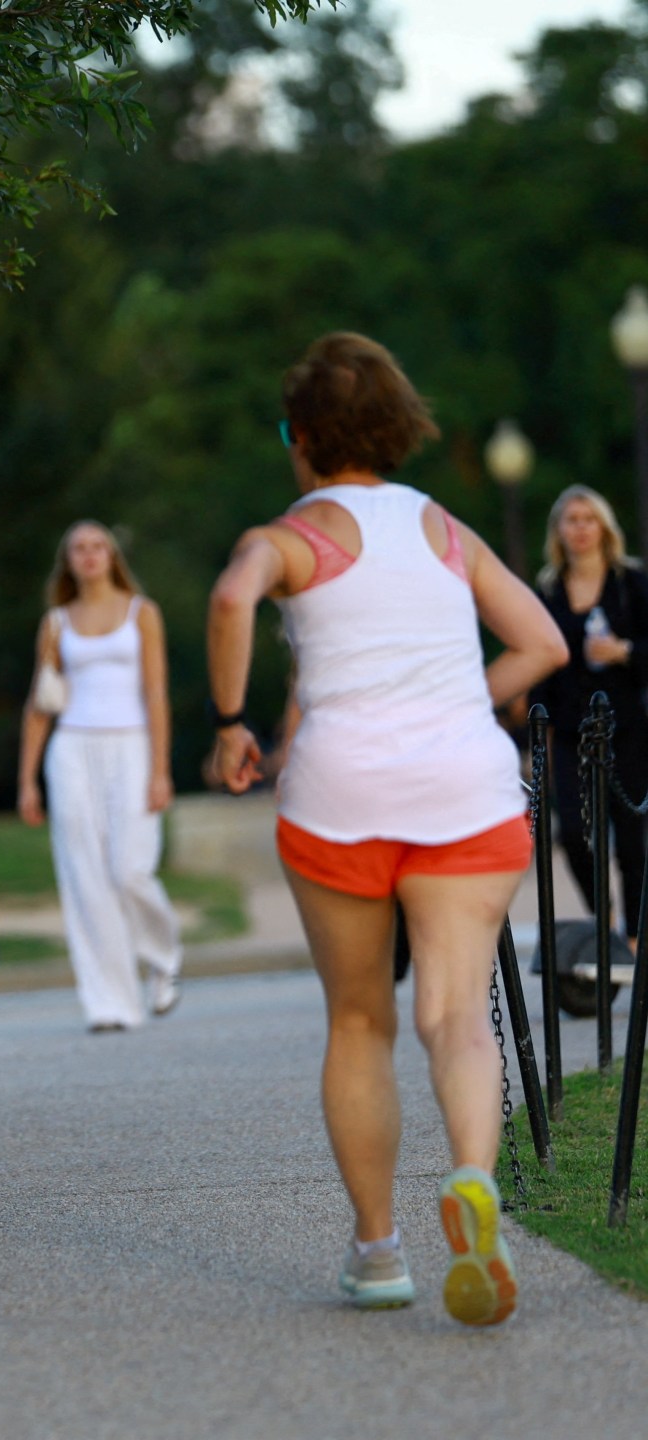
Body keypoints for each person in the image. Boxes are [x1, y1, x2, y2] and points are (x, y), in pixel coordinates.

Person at [207, 332, 566, 1326]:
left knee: (360, 1021)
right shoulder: (448, 531)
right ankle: (474, 1180)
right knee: (456, 1014)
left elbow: (233, 594)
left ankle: (379, 1253)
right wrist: (456, 698)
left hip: (342, 798)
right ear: (400, 427)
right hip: (467, 792)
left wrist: (233, 725)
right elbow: (544, 640)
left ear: (306, 434)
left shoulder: (292, 534)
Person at [16, 522, 182, 1032]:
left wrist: (161, 770)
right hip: (72, 750)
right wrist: (27, 782)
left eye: (97, 547)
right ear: (68, 561)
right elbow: (41, 705)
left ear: (112, 556)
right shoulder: (57, 622)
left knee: (130, 868)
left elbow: (156, 695)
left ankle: (163, 958)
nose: (89, 556)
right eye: (78, 549)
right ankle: (110, 1003)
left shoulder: (141, 613)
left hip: (131, 745)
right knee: (85, 876)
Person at [530, 484, 648, 946]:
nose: (580, 528)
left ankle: (635, 938)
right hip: (568, 728)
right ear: (559, 530)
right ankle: (606, 916)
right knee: (574, 833)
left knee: (630, 835)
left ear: (603, 527)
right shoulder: (548, 591)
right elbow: (537, 659)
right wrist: (532, 733)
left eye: (588, 518)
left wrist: (623, 650)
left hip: (626, 727)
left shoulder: (632, 584)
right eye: (571, 519)